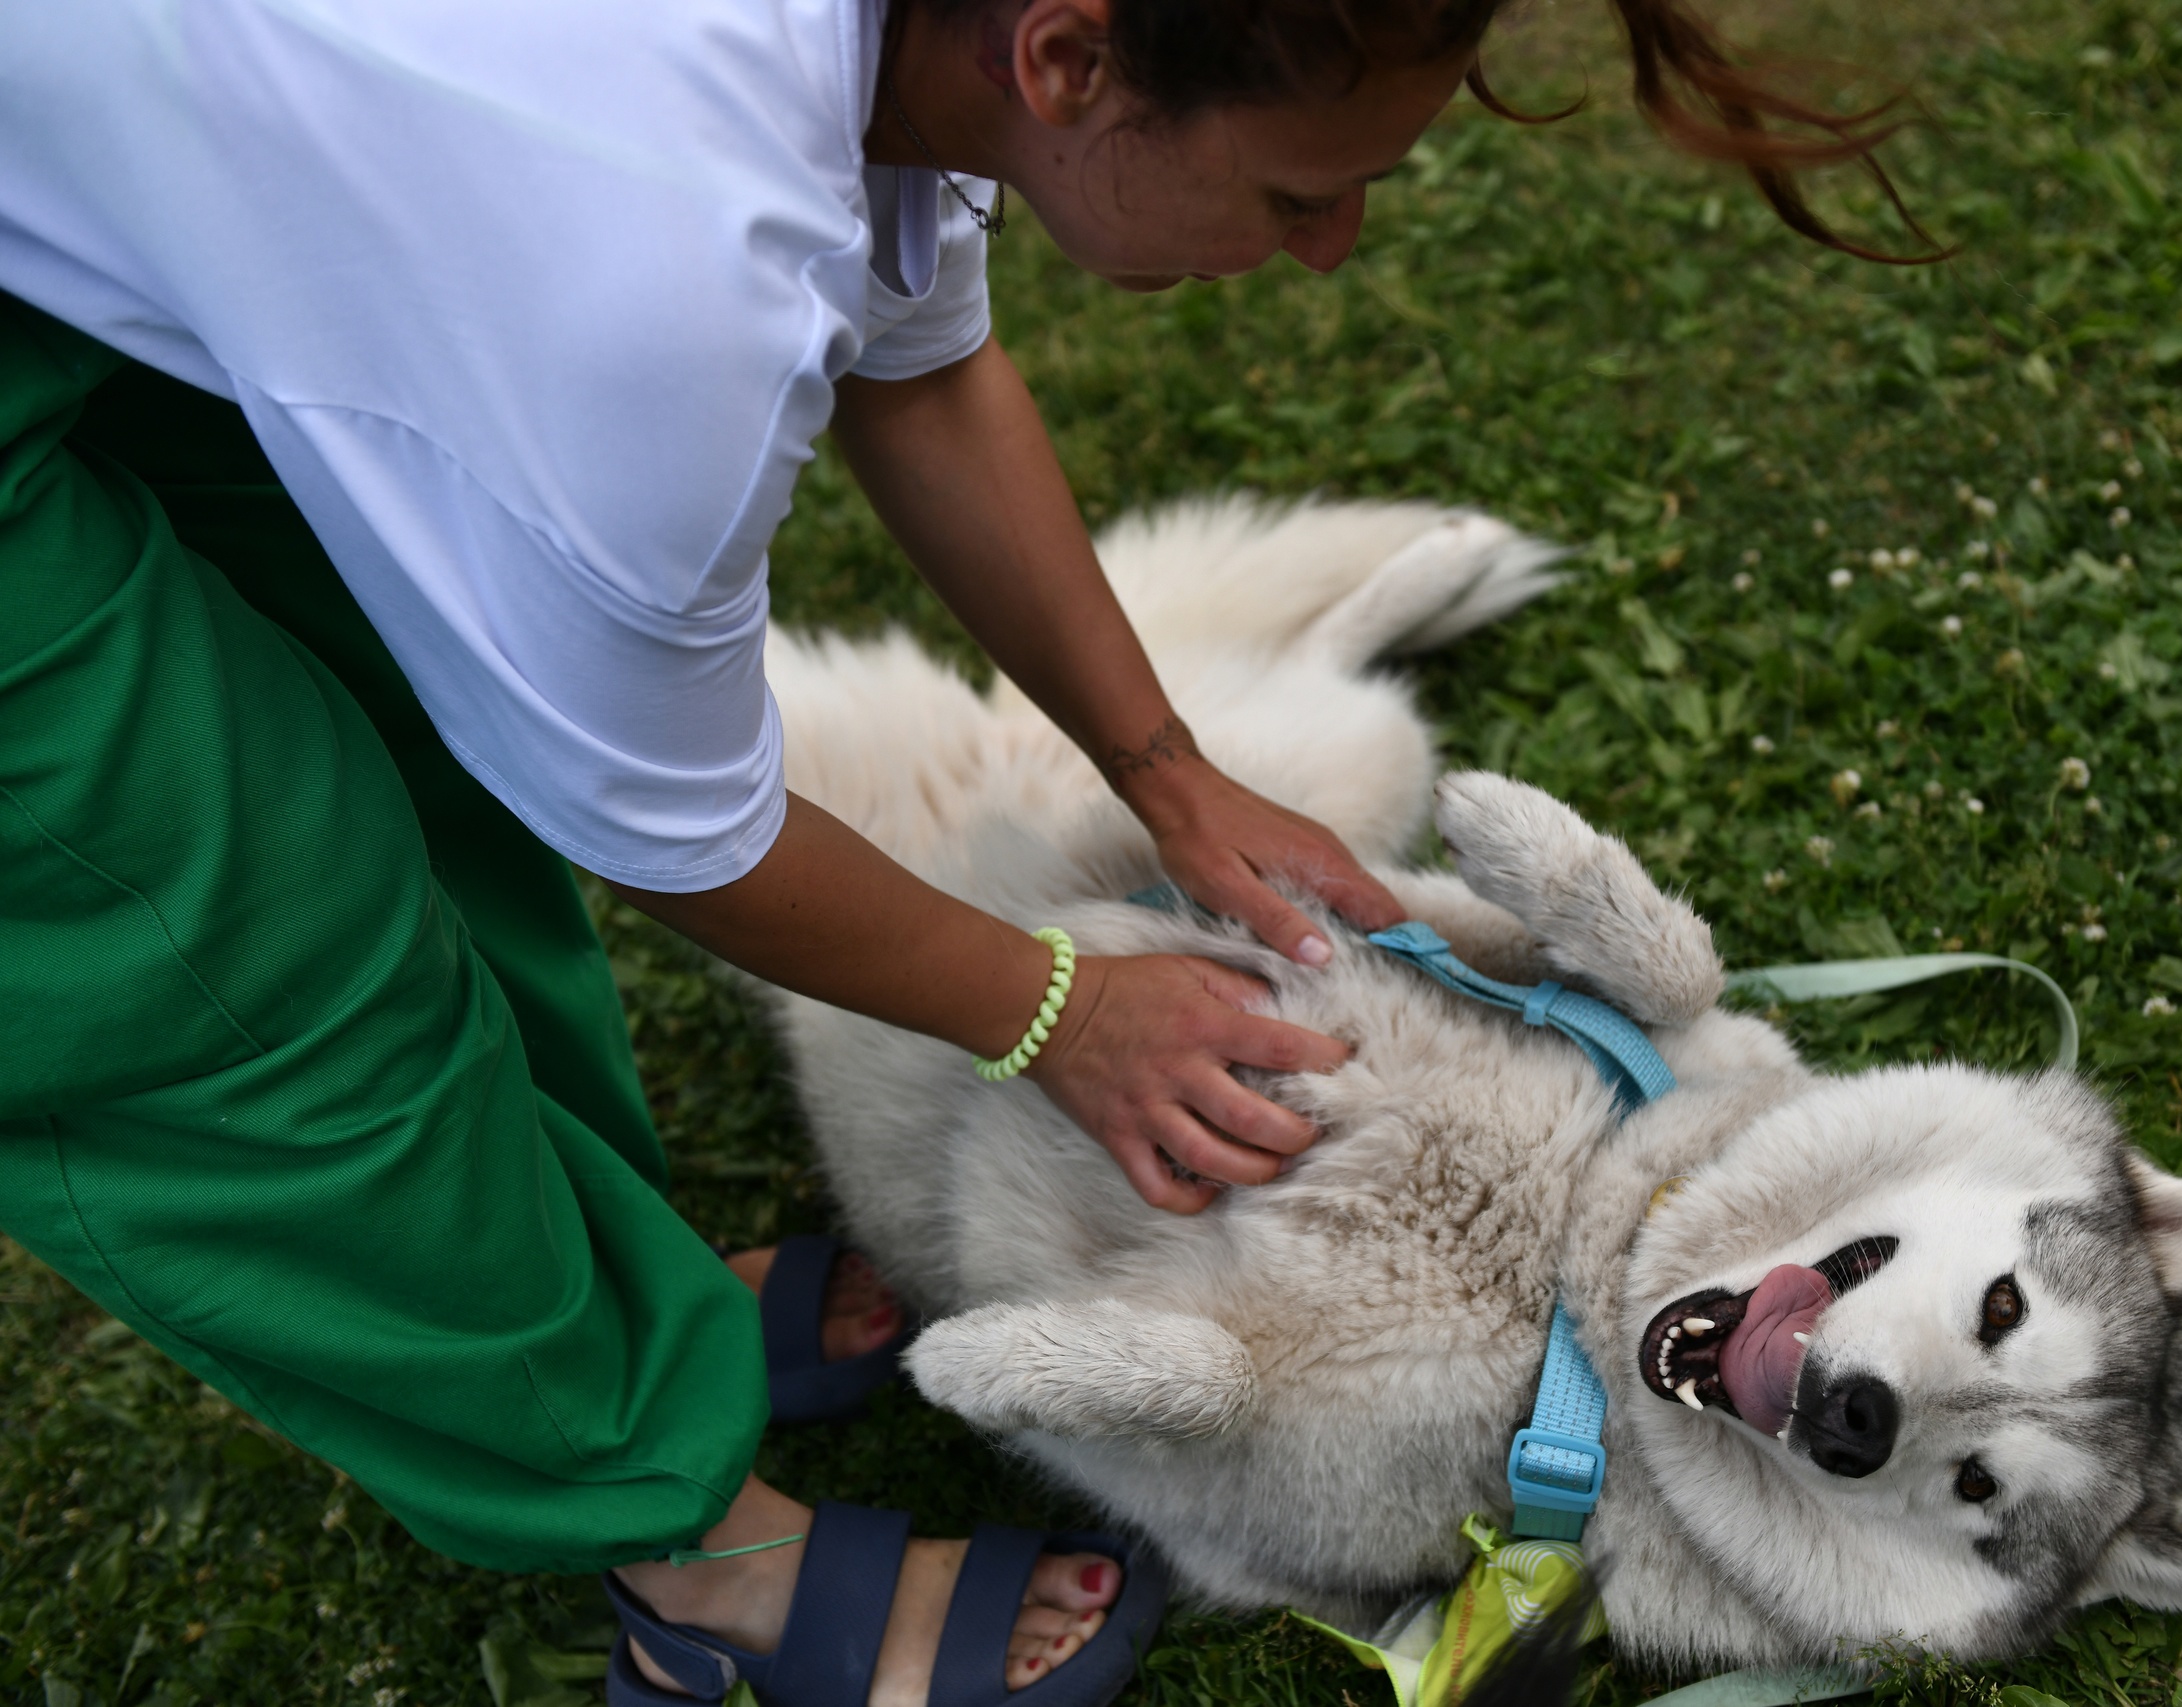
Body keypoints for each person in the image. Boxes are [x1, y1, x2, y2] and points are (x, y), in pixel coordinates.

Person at [0, 0, 1910, 1699]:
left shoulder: (885, 60)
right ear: (1067, 58)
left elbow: (915, 367)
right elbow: (670, 834)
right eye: (1303, 190)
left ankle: (586, 1266)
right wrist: (1054, 1006)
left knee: (364, 707)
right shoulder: (662, 293)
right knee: (225, 946)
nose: (1333, 245)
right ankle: (681, 1542)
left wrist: (1168, 770)